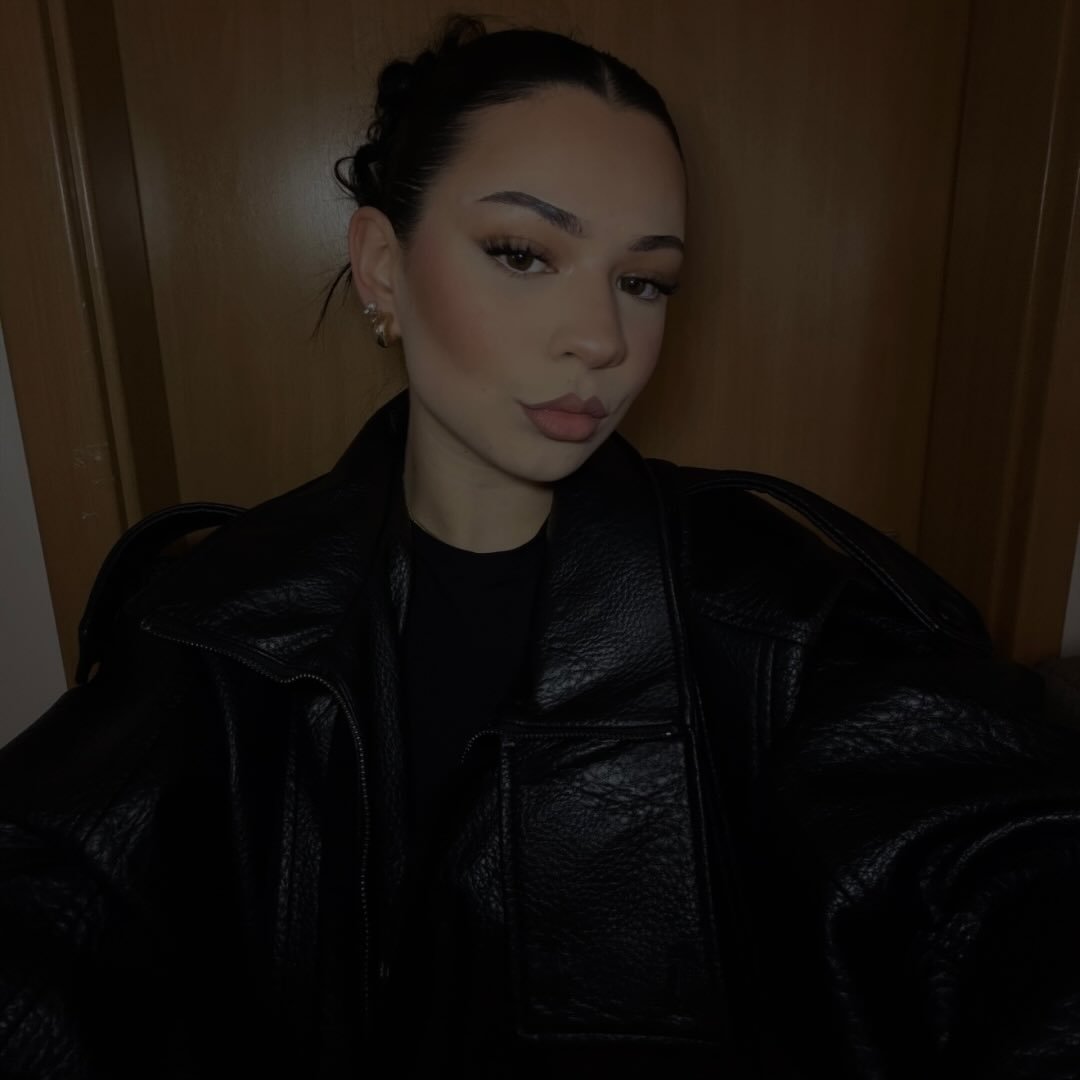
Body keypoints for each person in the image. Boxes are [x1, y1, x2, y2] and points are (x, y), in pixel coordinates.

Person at [2, 12, 1079, 1079]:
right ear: (382, 265)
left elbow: (992, 860)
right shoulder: (215, 622)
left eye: (643, 280)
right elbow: (51, 886)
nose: (603, 339)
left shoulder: (781, 618)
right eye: (523, 254)